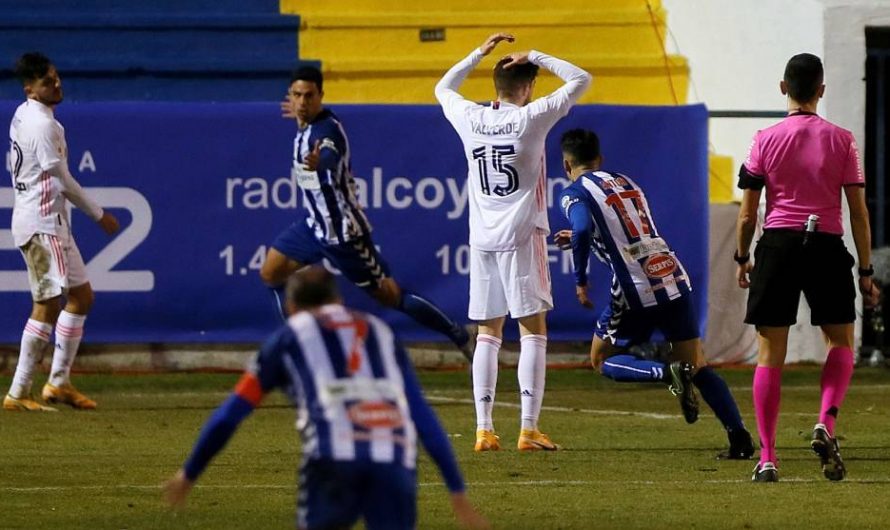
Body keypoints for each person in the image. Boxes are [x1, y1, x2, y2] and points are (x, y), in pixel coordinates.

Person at [164, 267, 489, 530]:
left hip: (333, 461)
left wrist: (189, 472)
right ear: (337, 297)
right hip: (394, 460)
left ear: (290, 307)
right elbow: (421, 415)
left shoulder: (288, 337)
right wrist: (456, 488)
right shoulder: (380, 331)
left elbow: (231, 413)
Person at [555, 128, 754, 459]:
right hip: (671, 272)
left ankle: (664, 372)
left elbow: (583, 227)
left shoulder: (574, 193)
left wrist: (579, 278)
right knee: (698, 364)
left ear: (566, 165)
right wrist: (585, 237)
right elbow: (623, 230)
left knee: (601, 359)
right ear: (599, 159)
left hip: (635, 286)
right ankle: (740, 439)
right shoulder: (626, 181)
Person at [435, 33, 591, 452]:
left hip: (482, 239)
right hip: (523, 236)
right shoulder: (531, 118)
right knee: (533, 330)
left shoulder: (470, 116)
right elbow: (580, 79)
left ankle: (484, 429)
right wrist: (537, 53)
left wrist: (477, 54)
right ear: (528, 86)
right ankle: (528, 428)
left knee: (487, 331)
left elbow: (442, 88)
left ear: (495, 87)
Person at [736, 53, 880, 483]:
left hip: (778, 245)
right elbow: (859, 212)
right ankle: (826, 423)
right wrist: (866, 270)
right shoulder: (843, 140)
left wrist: (744, 258)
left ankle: (767, 458)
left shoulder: (763, 139)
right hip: (825, 245)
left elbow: (747, 215)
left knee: (769, 354)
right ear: (822, 90)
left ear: (783, 87)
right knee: (840, 343)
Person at [261, 65, 472, 359]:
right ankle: (299, 350)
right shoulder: (305, 123)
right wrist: (299, 115)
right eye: (297, 95)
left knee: (391, 296)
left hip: (344, 233)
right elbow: (305, 122)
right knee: (271, 272)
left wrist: (318, 162)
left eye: (309, 95)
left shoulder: (327, 131)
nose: (302, 101)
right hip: (314, 226)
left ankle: (459, 334)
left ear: (321, 95)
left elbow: (330, 155)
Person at [4, 52, 120, 412]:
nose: (57, 85)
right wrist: (98, 214)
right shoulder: (41, 124)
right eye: (47, 82)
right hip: (40, 225)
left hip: (53, 223)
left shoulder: (27, 114)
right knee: (47, 303)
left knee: (81, 297)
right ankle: (18, 392)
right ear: (30, 89)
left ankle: (58, 383)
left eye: (56, 77)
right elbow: (61, 178)